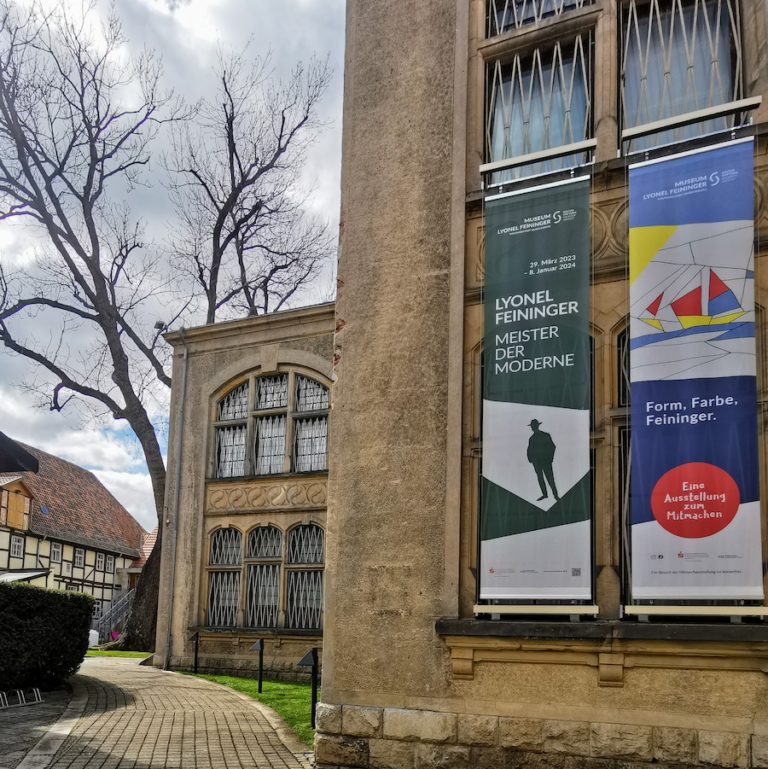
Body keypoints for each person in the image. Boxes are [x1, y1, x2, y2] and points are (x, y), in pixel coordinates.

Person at [526, 419, 559, 502]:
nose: (533, 428)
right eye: (532, 426)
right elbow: (529, 450)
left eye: (534, 426)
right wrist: (532, 460)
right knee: (540, 478)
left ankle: (556, 495)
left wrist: (550, 459)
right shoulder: (532, 439)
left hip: (546, 461)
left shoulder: (545, 435)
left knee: (550, 479)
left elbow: (552, 447)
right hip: (537, 463)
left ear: (537, 426)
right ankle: (545, 494)